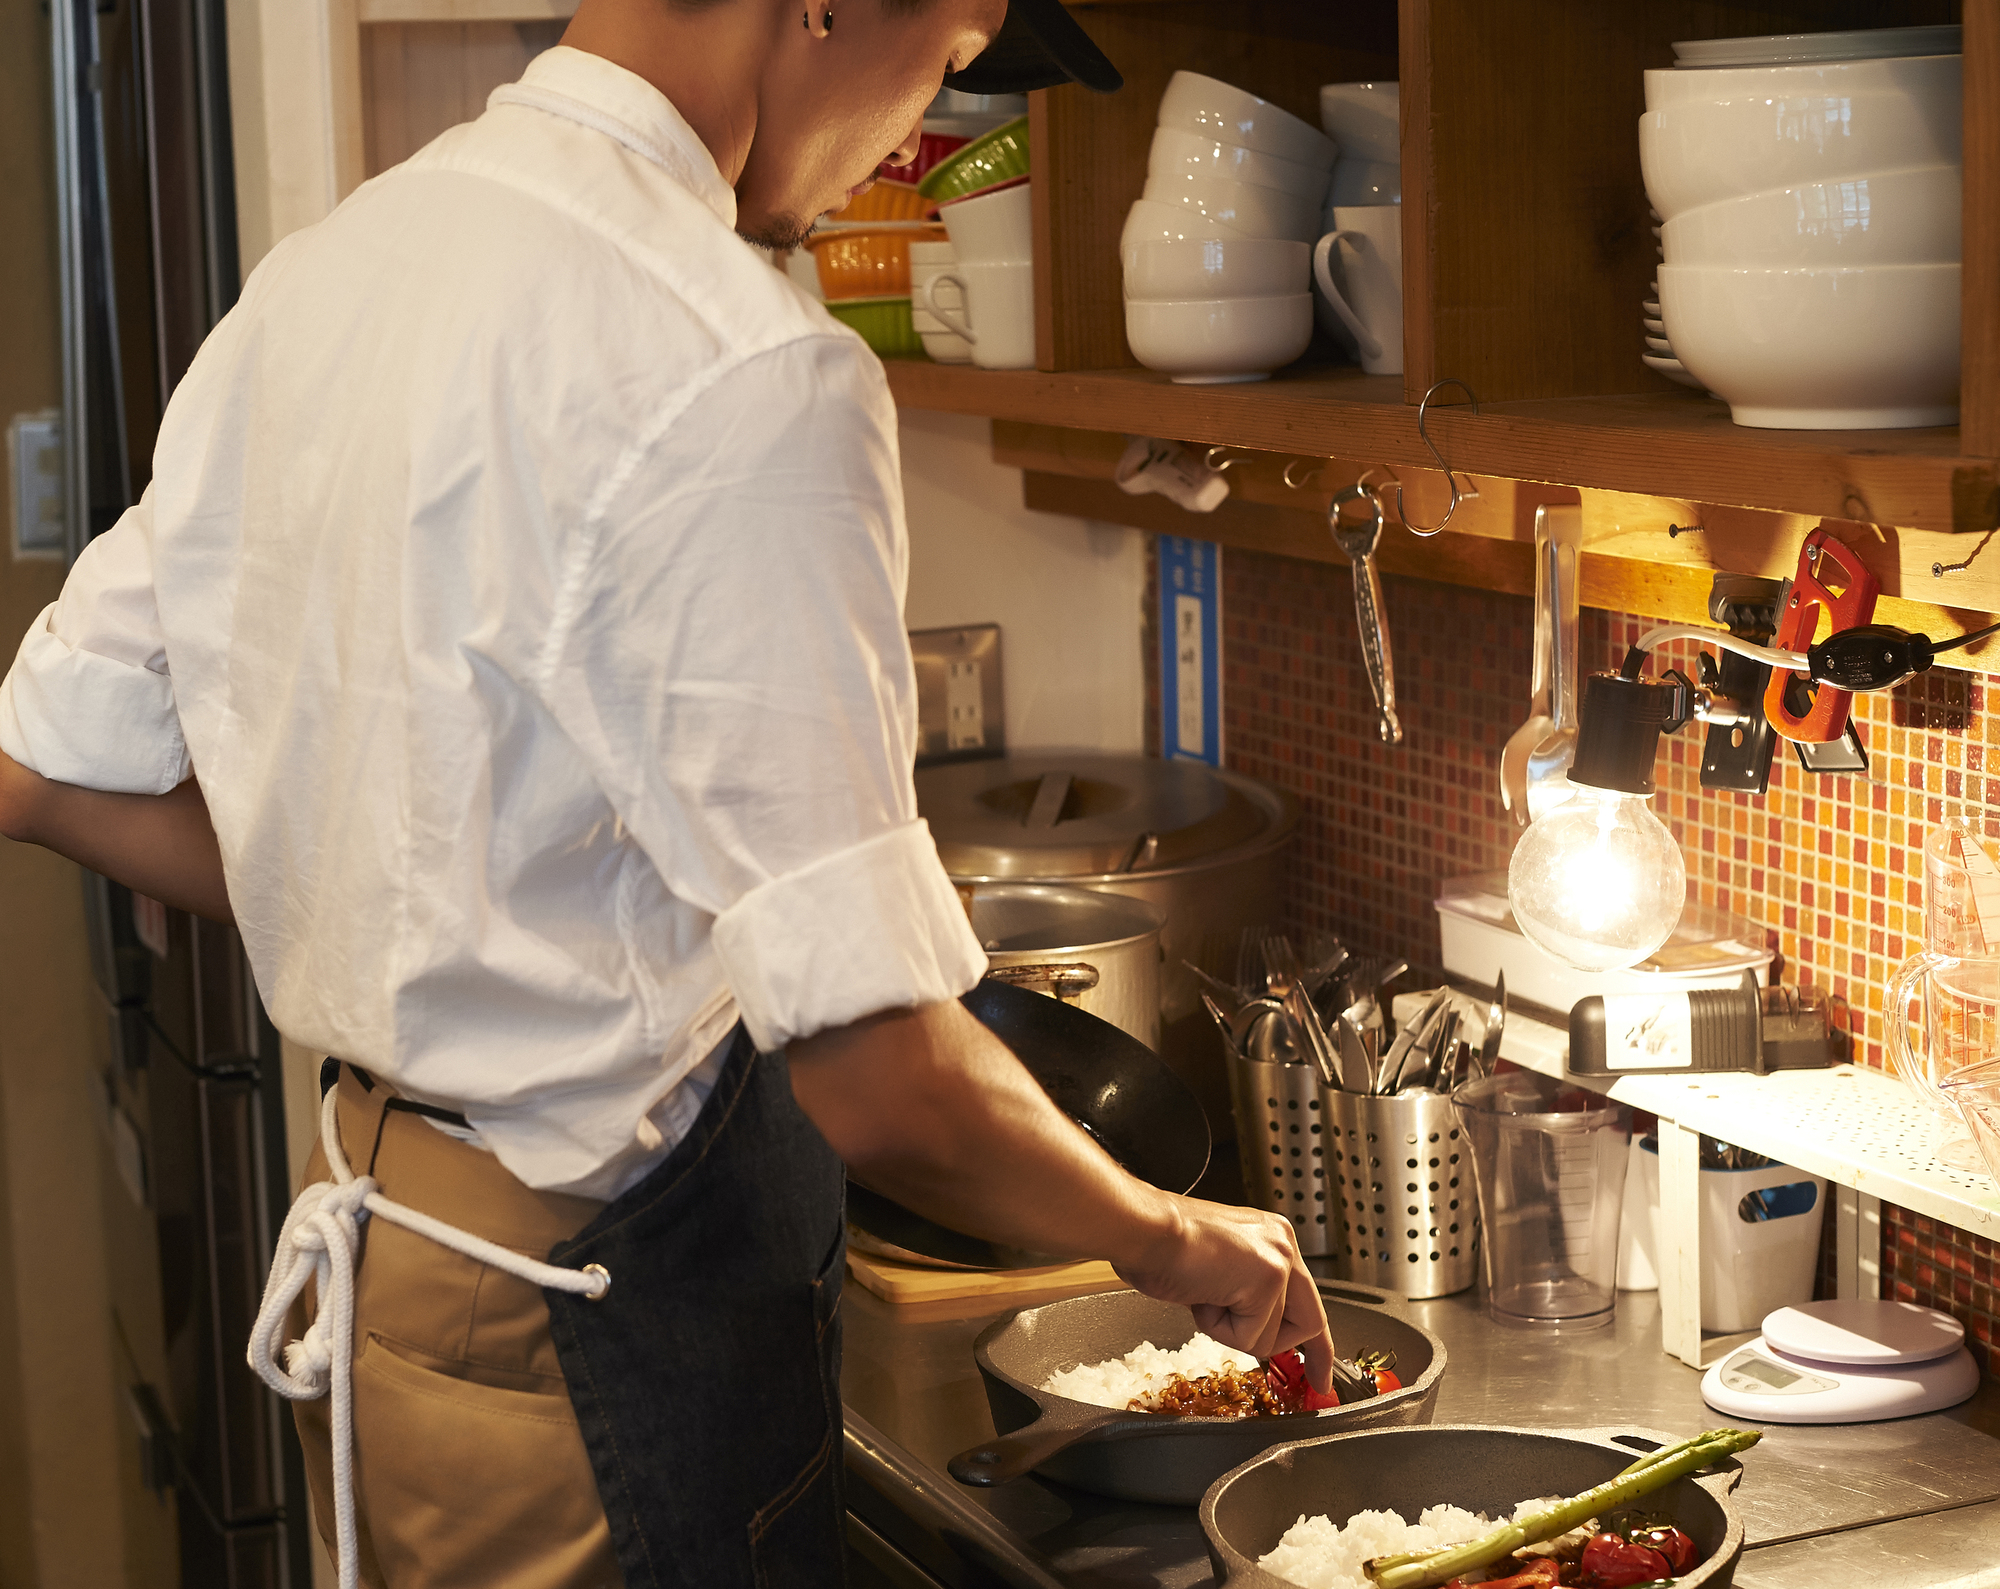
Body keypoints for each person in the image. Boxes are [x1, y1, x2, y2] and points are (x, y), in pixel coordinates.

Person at [0, 0, 1336, 1583]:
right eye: (950, 60)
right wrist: (1169, 1234)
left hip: (384, 1260)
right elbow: (882, 1081)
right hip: (588, 1322)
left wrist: (379, 888)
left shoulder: (332, 273)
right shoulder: (742, 362)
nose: (911, 140)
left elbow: (43, 767)